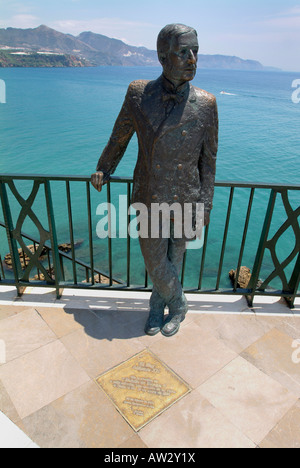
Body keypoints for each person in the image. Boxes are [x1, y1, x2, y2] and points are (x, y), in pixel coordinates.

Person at [91, 23, 218, 337]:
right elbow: (120, 136)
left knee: (173, 260)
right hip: (150, 195)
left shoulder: (207, 104)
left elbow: (209, 161)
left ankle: (155, 308)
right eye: (183, 52)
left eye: (196, 51)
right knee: (155, 259)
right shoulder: (138, 93)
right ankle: (179, 306)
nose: (193, 59)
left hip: (188, 198)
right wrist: (104, 168)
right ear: (163, 57)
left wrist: (205, 206)